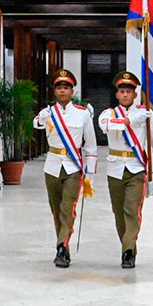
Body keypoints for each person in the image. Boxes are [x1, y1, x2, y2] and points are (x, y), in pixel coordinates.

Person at [98, 71, 153, 268]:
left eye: (129, 91)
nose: (125, 95)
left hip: (136, 168)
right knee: (119, 212)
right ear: (117, 94)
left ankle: (127, 251)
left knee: (132, 211)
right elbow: (106, 126)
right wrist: (129, 121)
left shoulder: (145, 114)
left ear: (135, 94)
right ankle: (128, 246)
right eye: (122, 91)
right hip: (115, 168)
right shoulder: (107, 114)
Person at [33, 69, 97, 268]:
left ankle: (61, 246)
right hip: (52, 165)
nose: (62, 91)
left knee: (67, 209)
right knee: (56, 210)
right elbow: (36, 125)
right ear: (54, 91)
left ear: (72, 91)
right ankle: (64, 247)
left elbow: (91, 144)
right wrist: (42, 118)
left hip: (73, 166)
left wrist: (90, 172)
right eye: (59, 88)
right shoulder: (48, 112)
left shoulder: (83, 113)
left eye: (66, 88)